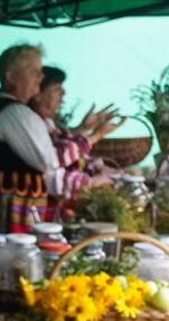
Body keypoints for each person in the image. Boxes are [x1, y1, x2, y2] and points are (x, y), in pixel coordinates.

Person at [0, 44, 101, 233]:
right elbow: (48, 161)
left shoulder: (11, 110)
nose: (41, 77)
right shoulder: (14, 113)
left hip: (9, 204)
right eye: (34, 71)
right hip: (6, 208)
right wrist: (93, 137)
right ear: (11, 76)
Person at [29, 65, 122, 218]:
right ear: (37, 94)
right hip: (40, 212)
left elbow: (65, 147)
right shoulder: (31, 124)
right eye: (57, 89)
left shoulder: (47, 123)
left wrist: (85, 128)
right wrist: (96, 134)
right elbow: (54, 165)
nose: (63, 94)